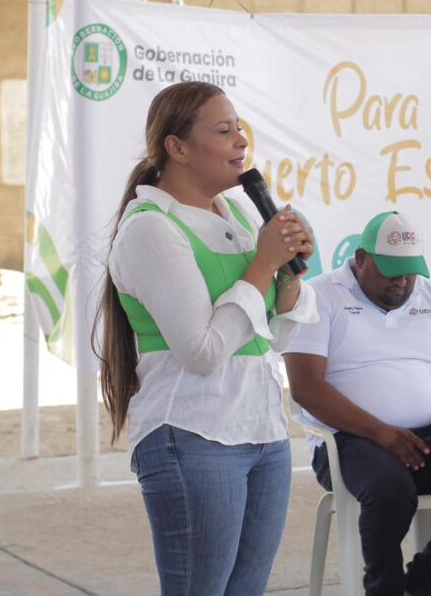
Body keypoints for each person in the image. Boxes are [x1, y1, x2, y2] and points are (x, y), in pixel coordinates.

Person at [94, 81, 318, 595]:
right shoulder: (151, 229)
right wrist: (264, 262)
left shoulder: (238, 214)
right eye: (223, 131)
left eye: (240, 128)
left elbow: (275, 335)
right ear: (177, 148)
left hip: (261, 430)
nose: (241, 141)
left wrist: (287, 272)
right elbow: (203, 351)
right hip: (193, 434)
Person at [283, 211, 431, 596]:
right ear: (361, 259)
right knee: (390, 491)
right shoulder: (320, 295)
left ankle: (420, 585)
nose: (401, 281)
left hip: (429, 436)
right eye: (390, 272)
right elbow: (305, 387)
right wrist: (382, 433)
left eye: (409, 272)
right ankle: (384, 588)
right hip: (350, 441)